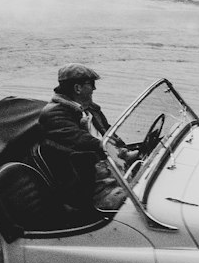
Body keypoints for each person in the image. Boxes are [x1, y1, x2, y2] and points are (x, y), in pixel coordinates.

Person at [37, 64, 135, 212]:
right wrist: (110, 149)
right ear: (78, 88)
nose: (94, 89)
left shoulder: (90, 108)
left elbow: (109, 132)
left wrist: (122, 149)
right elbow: (81, 140)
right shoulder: (54, 114)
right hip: (91, 181)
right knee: (134, 205)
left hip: (111, 164)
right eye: (91, 84)